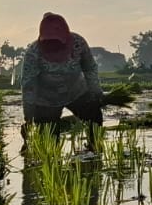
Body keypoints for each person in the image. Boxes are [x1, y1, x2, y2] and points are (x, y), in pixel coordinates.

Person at [21, 12, 103, 143]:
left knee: (95, 120)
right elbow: (29, 87)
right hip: (46, 100)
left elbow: (90, 68)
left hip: (77, 92)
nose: (54, 46)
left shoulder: (78, 43)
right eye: (50, 43)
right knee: (49, 143)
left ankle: (94, 150)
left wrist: (96, 93)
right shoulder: (33, 53)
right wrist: (29, 118)